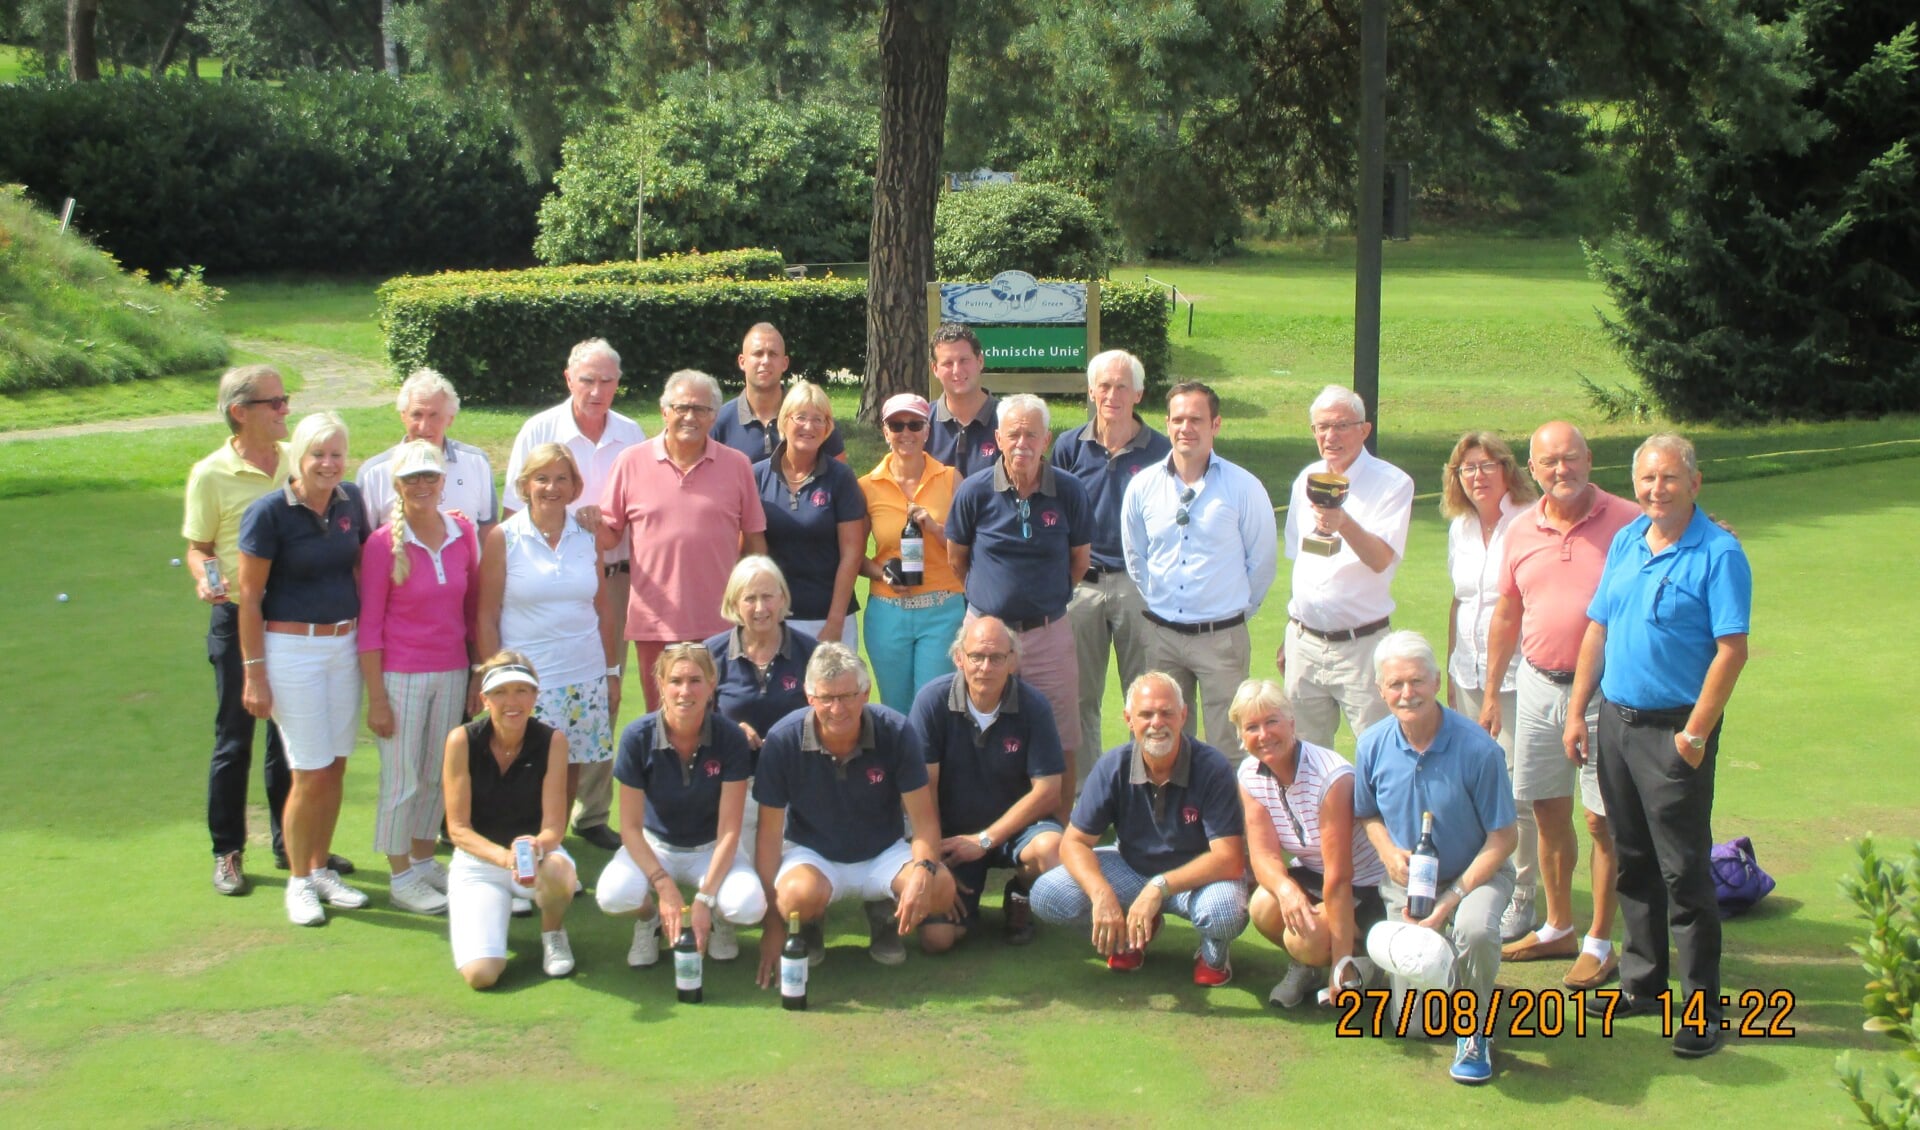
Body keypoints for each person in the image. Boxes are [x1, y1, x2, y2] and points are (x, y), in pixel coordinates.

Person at [1566, 433, 1751, 1058]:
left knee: (1685, 873)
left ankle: (1701, 1011)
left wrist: (1695, 735)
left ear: (1694, 483)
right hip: (1616, 722)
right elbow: (1599, 626)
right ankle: (1643, 981)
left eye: (1669, 479)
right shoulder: (1626, 539)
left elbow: (1732, 650)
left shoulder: (1719, 554)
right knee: (1633, 857)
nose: (1655, 490)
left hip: (1675, 729)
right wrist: (1577, 711)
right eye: (1646, 479)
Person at [1481, 421, 1638, 990]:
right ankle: (1558, 926)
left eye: (1569, 459)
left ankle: (1599, 939)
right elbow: (1507, 611)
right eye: (1548, 463)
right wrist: (1494, 690)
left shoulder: (1628, 519)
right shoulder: (1522, 529)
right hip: (1538, 686)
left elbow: (1678, 535)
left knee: (1601, 820)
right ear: (1533, 469)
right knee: (1546, 810)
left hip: (1604, 691)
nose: (1560, 471)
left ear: (1589, 459)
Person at [500, 338, 646, 852]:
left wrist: (602, 526)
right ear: (569, 379)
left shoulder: (630, 434)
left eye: (607, 380)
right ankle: (531, 814)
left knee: (601, 691)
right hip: (542, 579)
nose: (597, 390)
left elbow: (641, 511)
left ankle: (592, 812)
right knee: (538, 699)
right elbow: (510, 511)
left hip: (614, 576)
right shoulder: (540, 429)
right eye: (587, 379)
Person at [1352, 631, 1517, 1085]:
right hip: (1409, 887)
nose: (1407, 693)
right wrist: (1386, 851)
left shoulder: (1479, 750)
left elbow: (1504, 838)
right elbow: (1366, 813)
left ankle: (1476, 1028)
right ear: (1381, 690)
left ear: (1438, 681)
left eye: (1417, 681)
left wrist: (1453, 898)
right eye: (1396, 684)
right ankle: (1459, 976)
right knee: (1419, 1024)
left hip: (1477, 876)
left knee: (1475, 928)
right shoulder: (1371, 745)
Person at [236, 411, 372, 926]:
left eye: (337, 453)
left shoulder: (350, 500)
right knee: (309, 770)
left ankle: (320, 868)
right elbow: (248, 597)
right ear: (299, 457)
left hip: (343, 646)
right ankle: (297, 881)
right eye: (318, 454)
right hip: (291, 651)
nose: (328, 463)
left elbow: (359, 563)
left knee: (336, 764)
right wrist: (254, 672)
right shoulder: (269, 513)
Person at [751, 644, 958, 982]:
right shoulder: (782, 740)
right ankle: (809, 922)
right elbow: (770, 837)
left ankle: (884, 913)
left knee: (940, 887)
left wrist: (922, 870)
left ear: (866, 692)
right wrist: (773, 926)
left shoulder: (897, 730)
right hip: (813, 853)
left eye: (847, 696)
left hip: (884, 851)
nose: (837, 708)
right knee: (794, 898)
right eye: (827, 698)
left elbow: (923, 822)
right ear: (809, 696)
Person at [1029, 672, 1249, 987]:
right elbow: (1073, 843)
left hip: (1196, 881)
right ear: (1129, 719)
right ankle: (1130, 933)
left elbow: (1229, 859)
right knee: (1047, 896)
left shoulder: (1212, 766)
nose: (1156, 722)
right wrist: (1102, 894)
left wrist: (1158, 887)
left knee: (1226, 912)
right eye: (1146, 714)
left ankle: (1212, 952)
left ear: (1183, 715)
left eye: (1166, 713)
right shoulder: (1113, 765)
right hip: (1132, 868)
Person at [946, 393, 1093, 817]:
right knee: (978, 725)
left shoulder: (1069, 491)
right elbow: (959, 557)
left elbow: (1078, 560)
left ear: (1047, 438)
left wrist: (1045, 598)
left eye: (1031, 434)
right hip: (986, 636)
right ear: (998, 438)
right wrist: (989, 604)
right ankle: (977, 819)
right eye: (1013, 434)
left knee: (1063, 734)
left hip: (1048, 633)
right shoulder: (974, 490)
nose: (1022, 443)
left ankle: (1061, 829)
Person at [478, 443, 622, 872]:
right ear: (525, 485)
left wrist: (612, 671)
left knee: (570, 768)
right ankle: (519, 859)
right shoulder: (504, 537)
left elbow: (603, 608)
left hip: (584, 673)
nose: (552, 487)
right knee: (523, 773)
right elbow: (486, 616)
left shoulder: (586, 536)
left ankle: (554, 852)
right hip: (527, 680)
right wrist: (492, 682)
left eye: (562, 478)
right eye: (542, 478)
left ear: (576, 486)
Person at [183, 364, 298, 895]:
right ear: (240, 411)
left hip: (294, 617)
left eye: (285, 400)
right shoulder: (211, 473)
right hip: (237, 616)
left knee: (289, 739)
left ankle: (290, 842)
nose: (284, 410)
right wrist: (209, 580)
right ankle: (227, 850)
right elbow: (200, 547)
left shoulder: (299, 457)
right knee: (235, 738)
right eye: (274, 402)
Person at [357, 441, 481, 915]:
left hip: (451, 669)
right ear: (399, 486)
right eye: (413, 479)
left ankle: (425, 858)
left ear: (443, 480)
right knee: (401, 778)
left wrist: (475, 673)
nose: (423, 486)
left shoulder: (461, 533)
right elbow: (369, 626)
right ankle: (400, 874)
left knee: (436, 775)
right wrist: (376, 699)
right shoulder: (381, 544)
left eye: (431, 477)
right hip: (399, 675)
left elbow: (471, 612)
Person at [1122, 381, 1277, 755]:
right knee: (1160, 742)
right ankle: (1165, 815)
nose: (1185, 428)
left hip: (1221, 639)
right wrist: (1161, 603)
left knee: (1231, 745)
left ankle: (1230, 815)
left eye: (1196, 419)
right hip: (1161, 638)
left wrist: (1233, 612)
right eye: (1178, 419)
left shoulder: (1243, 487)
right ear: (1167, 423)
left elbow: (1262, 562)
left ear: (1216, 424)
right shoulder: (1142, 486)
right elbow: (1136, 557)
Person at [600, 369, 768, 711]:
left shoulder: (736, 466)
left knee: (721, 722)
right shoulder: (630, 462)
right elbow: (610, 533)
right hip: (654, 624)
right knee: (662, 724)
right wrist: (581, 521)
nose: (690, 416)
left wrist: (757, 604)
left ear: (714, 417)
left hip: (721, 623)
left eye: (702, 410)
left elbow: (755, 542)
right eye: (682, 407)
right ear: (665, 411)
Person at [596, 644, 767, 968]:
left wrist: (703, 899)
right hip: (655, 845)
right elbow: (630, 828)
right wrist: (662, 885)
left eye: (695, 680)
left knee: (748, 905)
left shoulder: (729, 737)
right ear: (660, 683)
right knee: (614, 895)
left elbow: (730, 830)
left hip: (711, 847)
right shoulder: (637, 736)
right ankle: (649, 921)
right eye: (675, 680)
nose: (685, 691)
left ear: (712, 683)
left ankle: (719, 917)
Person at [1437, 429, 1540, 948]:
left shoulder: (1531, 518)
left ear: (1507, 468)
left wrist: (1497, 687)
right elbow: (1460, 602)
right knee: (1478, 783)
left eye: (1486, 465)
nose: (1476, 476)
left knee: (1519, 790)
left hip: (1520, 675)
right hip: (1469, 672)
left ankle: (1524, 895)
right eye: (1466, 468)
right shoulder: (1460, 526)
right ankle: (1482, 886)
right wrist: (1454, 674)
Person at [908, 617, 1065, 947]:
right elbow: (923, 791)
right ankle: (964, 905)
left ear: (1012, 661)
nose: (985, 666)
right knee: (937, 940)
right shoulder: (931, 702)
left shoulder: (1034, 706)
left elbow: (1049, 790)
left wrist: (984, 840)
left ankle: (1020, 894)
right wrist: (934, 859)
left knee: (1053, 852)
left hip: (1015, 831)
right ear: (959, 658)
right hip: (951, 839)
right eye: (976, 656)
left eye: (996, 658)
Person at [1232, 678, 1388, 1008]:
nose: (1264, 735)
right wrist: (1287, 891)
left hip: (1367, 886)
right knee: (1264, 905)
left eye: (1272, 721)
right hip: (1315, 874)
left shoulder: (1331, 777)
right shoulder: (1249, 774)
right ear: (1241, 736)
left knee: (1309, 938)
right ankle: (1308, 968)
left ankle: (1361, 965)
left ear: (1292, 722)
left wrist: (1340, 963)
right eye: (1252, 727)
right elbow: (1263, 857)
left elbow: (1340, 877)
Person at [1279, 385, 1414, 749]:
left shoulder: (1393, 483)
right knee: (1303, 755)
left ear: (1364, 430)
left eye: (1340, 426)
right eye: (1321, 427)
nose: (1330, 436)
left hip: (1362, 647)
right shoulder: (1305, 480)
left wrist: (1344, 523)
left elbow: (1379, 559)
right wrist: (1289, 633)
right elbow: (1301, 560)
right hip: (1304, 645)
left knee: (1379, 750)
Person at [1054, 350, 1170, 763]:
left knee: (1145, 695)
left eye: (1122, 386)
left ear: (1138, 393)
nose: (1112, 394)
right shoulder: (1068, 448)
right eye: (1104, 385)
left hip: (1139, 588)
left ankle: (1147, 787)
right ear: (1091, 391)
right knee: (1080, 696)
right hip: (1081, 587)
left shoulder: (1161, 451)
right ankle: (1088, 796)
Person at [443, 652, 578, 988]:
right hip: (478, 865)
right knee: (481, 976)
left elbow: (554, 827)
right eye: (501, 692)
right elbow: (457, 829)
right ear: (485, 699)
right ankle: (500, 910)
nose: (512, 701)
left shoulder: (552, 741)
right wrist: (505, 859)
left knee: (560, 872)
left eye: (522, 690)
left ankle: (553, 933)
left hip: (537, 859)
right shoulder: (461, 740)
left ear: (534, 696)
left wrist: (535, 846)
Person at [858, 393, 967, 712]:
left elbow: (968, 549)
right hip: (888, 612)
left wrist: (934, 527)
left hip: (942, 610)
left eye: (915, 424)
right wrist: (882, 573)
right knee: (895, 709)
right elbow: (852, 556)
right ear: (885, 431)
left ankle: (933, 765)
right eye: (896, 425)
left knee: (933, 708)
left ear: (927, 430)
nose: (906, 433)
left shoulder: (950, 479)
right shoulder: (866, 486)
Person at [752, 380, 868, 647]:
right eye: (801, 417)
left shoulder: (841, 478)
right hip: (774, 617)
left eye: (819, 419)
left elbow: (852, 552)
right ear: (784, 421)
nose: (809, 426)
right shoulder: (755, 476)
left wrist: (835, 620)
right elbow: (750, 552)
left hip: (829, 618)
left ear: (828, 428)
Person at [355, 368, 498, 536]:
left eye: (434, 415)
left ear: (450, 418)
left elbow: (488, 530)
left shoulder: (476, 463)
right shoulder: (374, 474)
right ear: (403, 416)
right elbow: (363, 545)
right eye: (417, 415)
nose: (424, 427)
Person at [705, 556, 819, 755]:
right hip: (732, 772)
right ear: (734, 603)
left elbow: (829, 717)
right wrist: (727, 731)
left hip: (793, 771)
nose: (760, 608)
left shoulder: (811, 653)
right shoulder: (711, 654)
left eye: (767, 597)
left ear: (782, 598)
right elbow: (691, 719)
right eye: (750, 599)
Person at [710, 322, 847, 463]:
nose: (765, 361)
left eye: (773, 354)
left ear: (785, 363)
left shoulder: (813, 418)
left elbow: (839, 478)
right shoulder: (719, 423)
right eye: (758, 353)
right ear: (742, 362)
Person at [926, 323, 1000, 478]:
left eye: (964, 360)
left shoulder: (1007, 419)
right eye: (947, 363)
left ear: (980, 361)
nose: (957, 370)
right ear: (935, 369)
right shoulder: (920, 423)